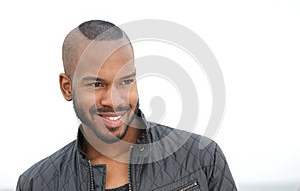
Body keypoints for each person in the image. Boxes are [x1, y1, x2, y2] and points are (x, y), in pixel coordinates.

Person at [16, 20, 237, 191]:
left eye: (125, 81)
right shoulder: (36, 183)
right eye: (96, 84)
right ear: (67, 87)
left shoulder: (203, 158)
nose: (114, 100)